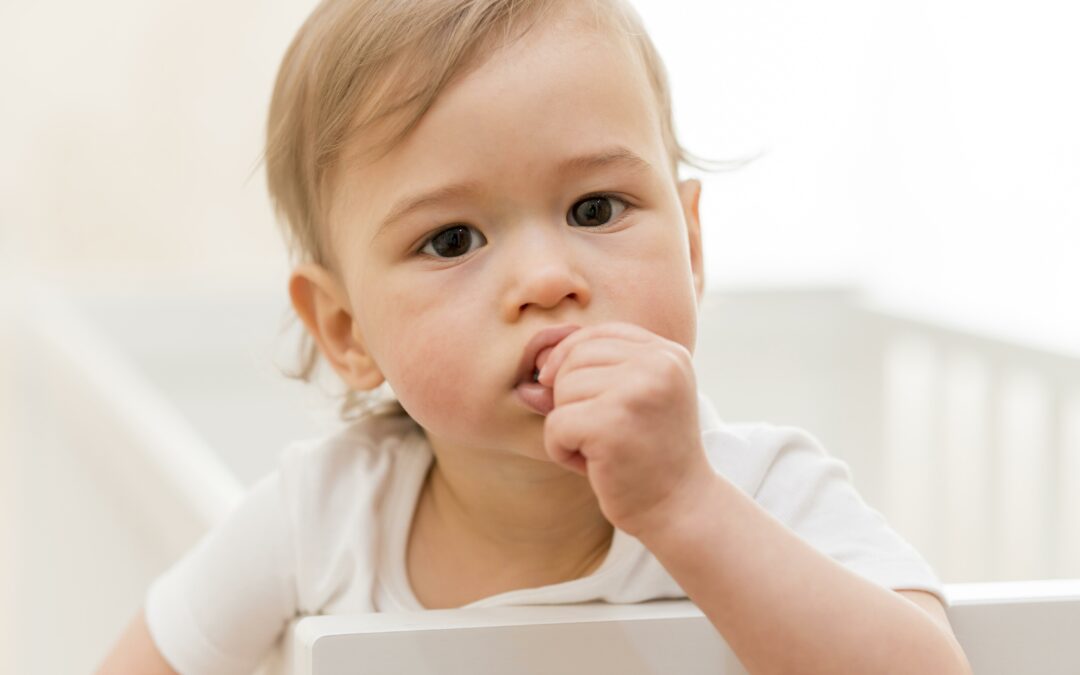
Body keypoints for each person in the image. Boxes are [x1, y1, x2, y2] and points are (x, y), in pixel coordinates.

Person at [96, 0, 972, 673]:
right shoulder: (321, 518)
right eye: (452, 240)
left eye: (595, 209)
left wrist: (685, 507)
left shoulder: (761, 491)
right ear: (346, 329)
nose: (548, 279)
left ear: (693, 245)